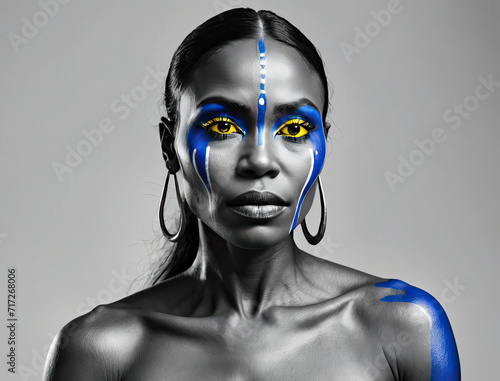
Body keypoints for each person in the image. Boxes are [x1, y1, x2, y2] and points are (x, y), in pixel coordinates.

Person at [43, 8, 460, 380]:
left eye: (294, 129)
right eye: (223, 126)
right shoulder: (100, 351)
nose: (260, 161)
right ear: (170, 147)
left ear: (323, 145)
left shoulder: (403, 328)